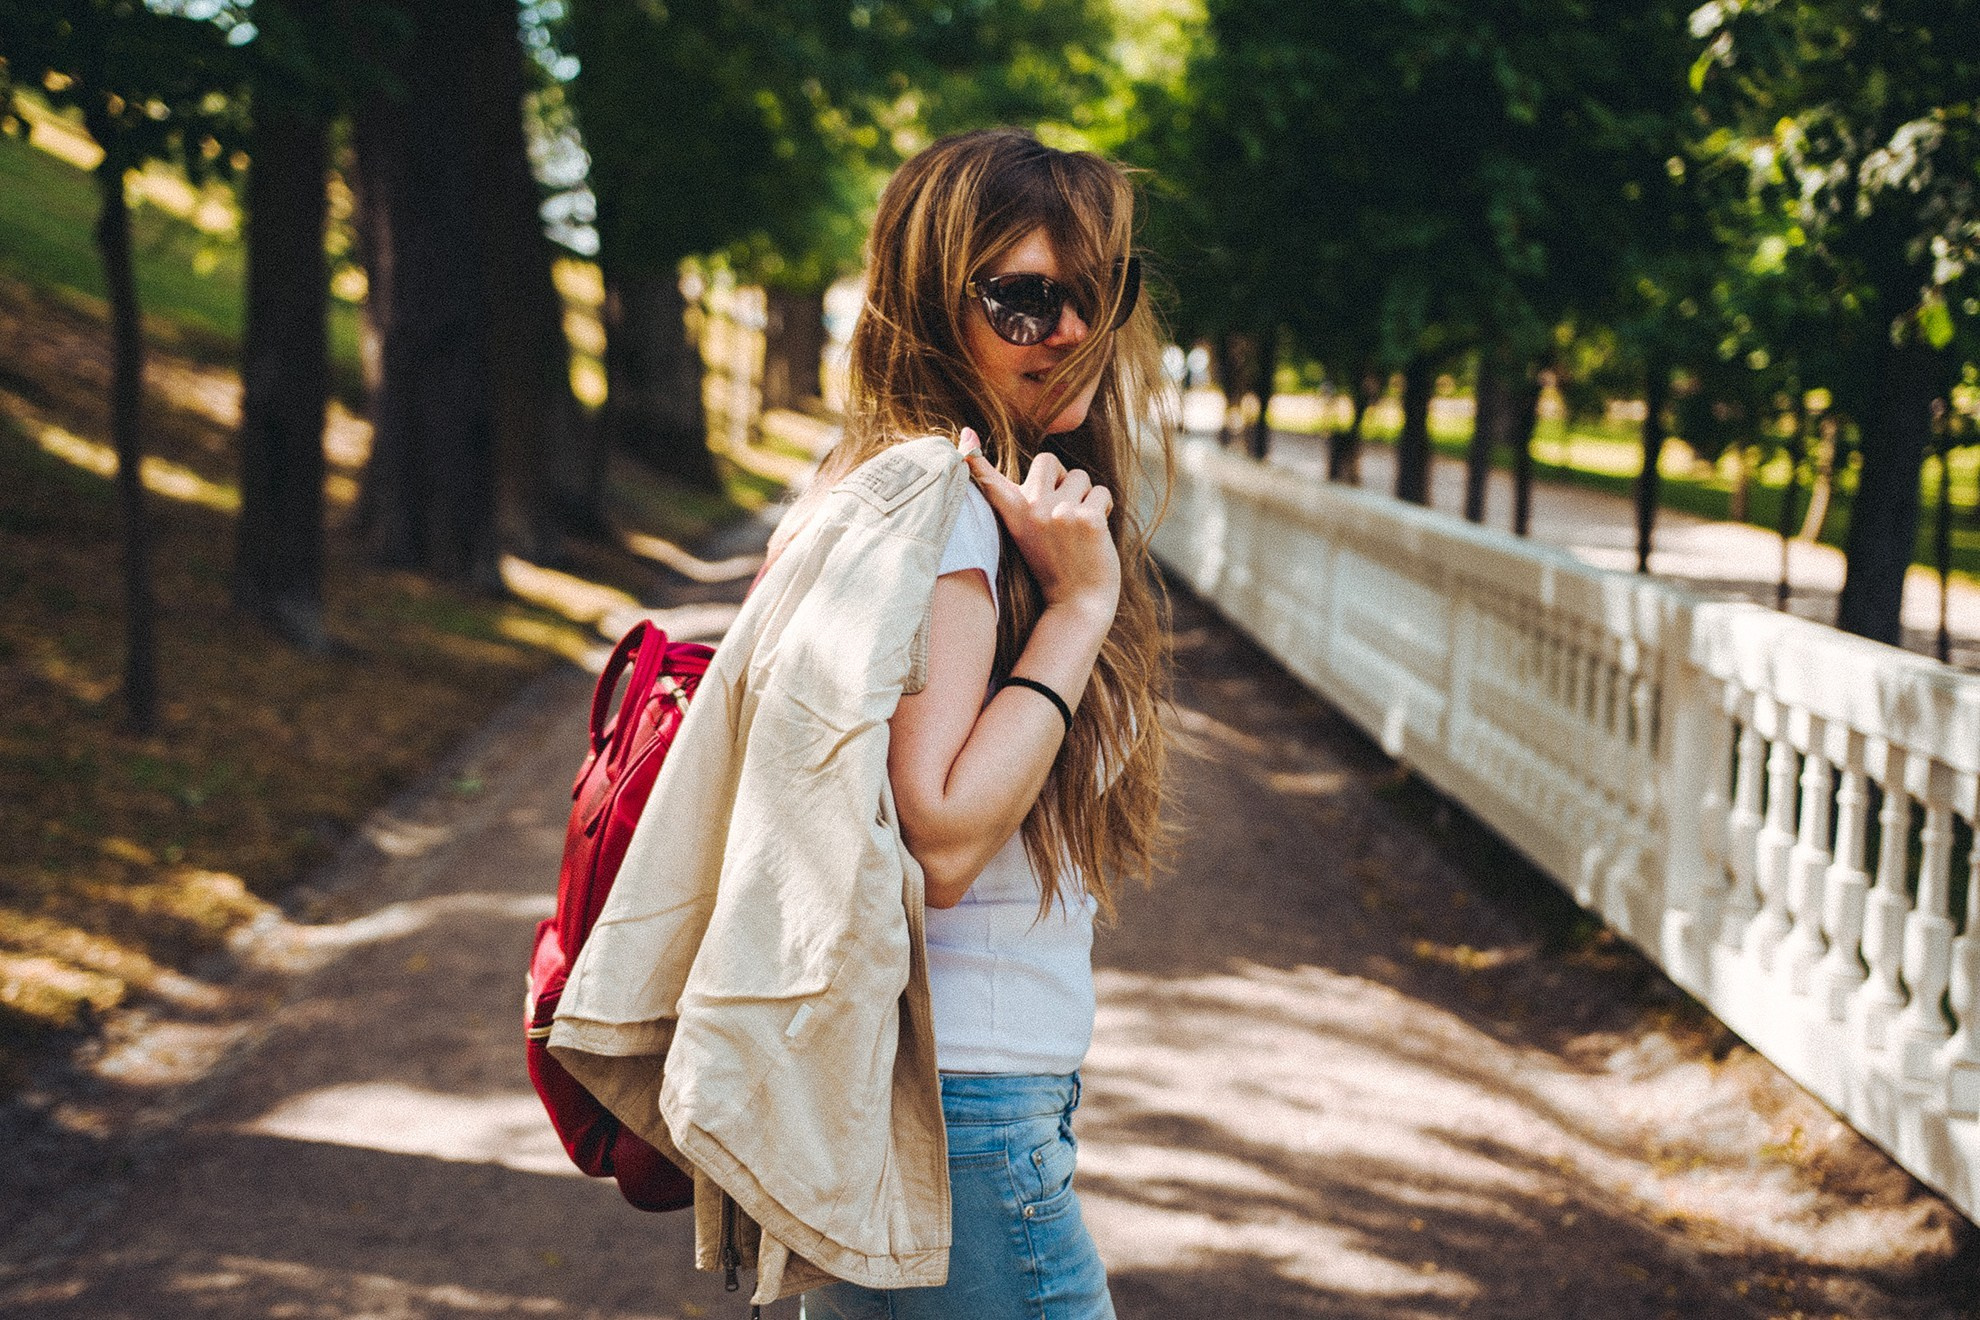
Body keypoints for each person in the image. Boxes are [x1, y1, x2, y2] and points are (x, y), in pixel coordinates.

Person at [786, 127, 1177, 1320]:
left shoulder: (880, 485)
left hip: (908, 1089)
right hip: (963, 1103)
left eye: (1093, 295)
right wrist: (1084, 606)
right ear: (924, 306)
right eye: (1022, 299)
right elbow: (943, 840)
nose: (1068, 332)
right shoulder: (947, 510)